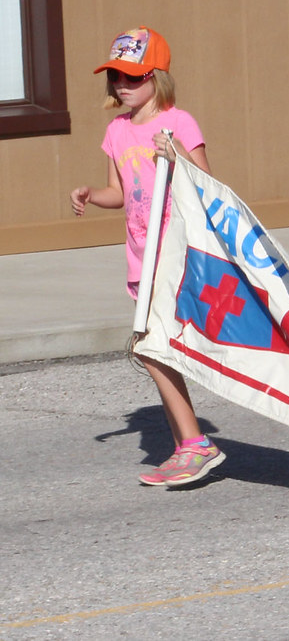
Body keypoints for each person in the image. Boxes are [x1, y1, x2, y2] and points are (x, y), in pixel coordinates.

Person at [70, 26, 225, 488]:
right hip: (141, 257)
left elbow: (205, 185)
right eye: (116, 76)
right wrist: (91, 195)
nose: (122, 85)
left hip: (175, 256)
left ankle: (194, 445)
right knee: (155, 351)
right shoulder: (116, 131)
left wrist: (174, 154)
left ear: (158, 77)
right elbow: (120, 192)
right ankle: (189, 446)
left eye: (133, 77)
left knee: (153, 350)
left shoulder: (180, 123)